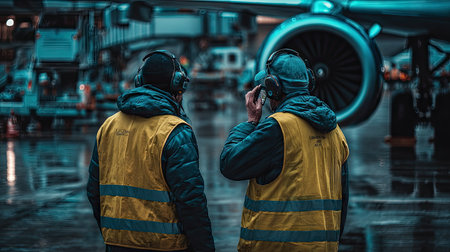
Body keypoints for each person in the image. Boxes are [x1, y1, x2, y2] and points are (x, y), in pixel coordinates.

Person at [220, 48, 349, 251]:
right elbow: (343, 199)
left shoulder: (277, 128)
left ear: (274, 88)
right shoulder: (336, 132)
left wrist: (251, 122)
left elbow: (230, 164)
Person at [87, 50, 215, 252]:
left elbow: (94, 192)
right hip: (164, 245)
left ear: (139, 80)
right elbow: (191, 202)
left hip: (116, 243)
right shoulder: (175, 132)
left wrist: (114, 234)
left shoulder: (108, 126)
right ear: (177, 85)